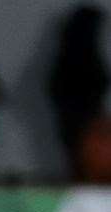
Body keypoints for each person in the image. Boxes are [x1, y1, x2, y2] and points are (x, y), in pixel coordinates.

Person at [49, 4, 110, 179]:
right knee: (85, 159)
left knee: (82, 159)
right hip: (81, 114)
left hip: (78, 113)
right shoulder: (81, 53)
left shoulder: (71, 51)